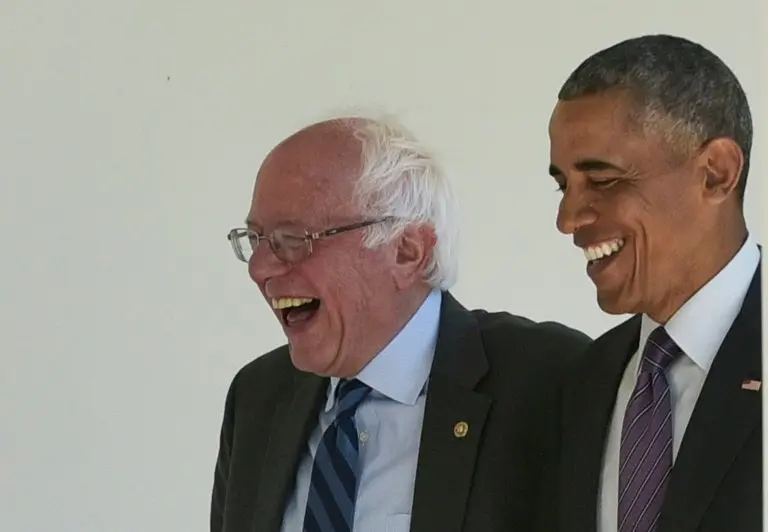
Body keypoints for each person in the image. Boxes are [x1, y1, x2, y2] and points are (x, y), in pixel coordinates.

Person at [210, 114, 590, 532]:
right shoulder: (258, 396)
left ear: (408, 252)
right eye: (256, 239)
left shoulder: (548, 379)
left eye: (293, 240)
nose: (260, 268)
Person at [547, 35, 761, 532]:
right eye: (563, 185)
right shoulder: (580, 383)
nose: (567, 218)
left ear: (716, 174)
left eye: (602, 181)